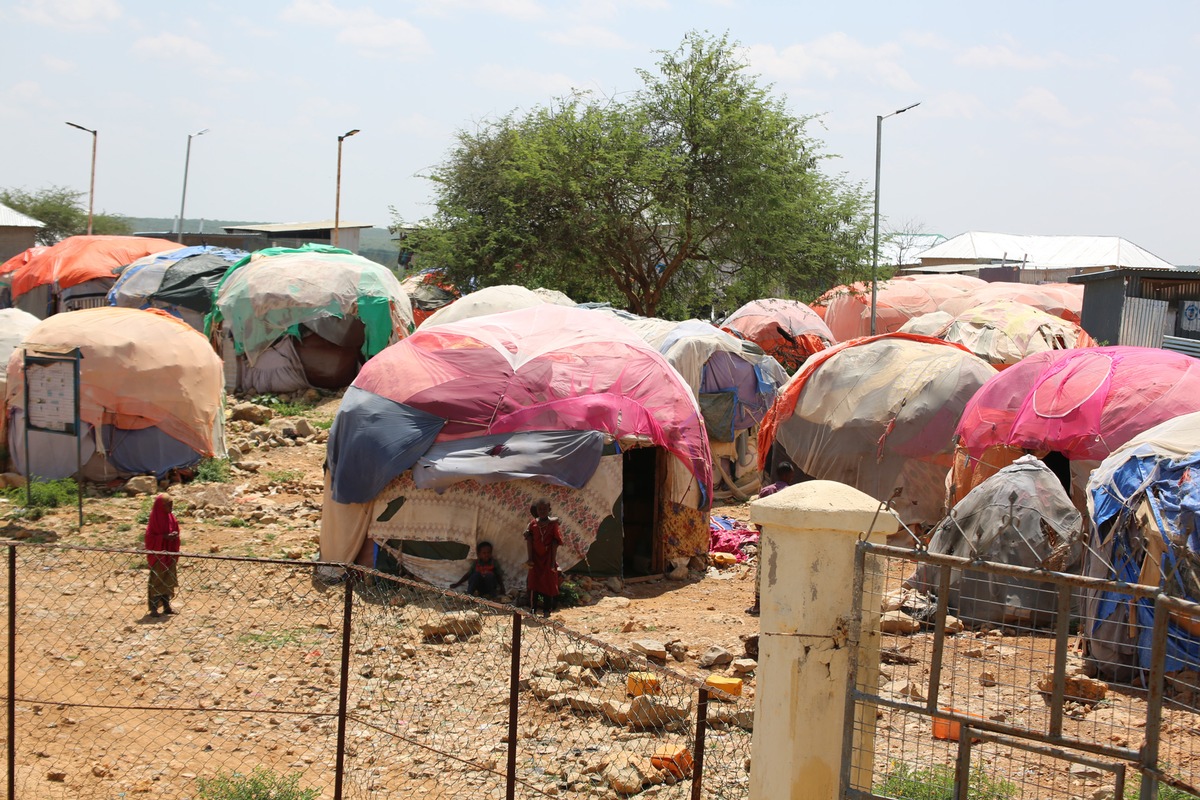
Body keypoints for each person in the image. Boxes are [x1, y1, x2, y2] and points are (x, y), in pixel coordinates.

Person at [746, 462, 808, 616]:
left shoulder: (766, 491)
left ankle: (758, 605)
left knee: (762, 570)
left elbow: (757, 516)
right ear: (788, 475)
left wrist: (763, 531)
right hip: (787, 538)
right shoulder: (792, 493)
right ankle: (782, 605)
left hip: (767, 536)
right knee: (784, 570)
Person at [144, 495, 181, 618]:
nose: (171, 507)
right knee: (157, 580)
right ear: (161, 506)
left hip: (169, 554)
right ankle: (154, 608)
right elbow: (150, 538)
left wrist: (174, 535)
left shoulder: (171, 517)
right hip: (159, 555)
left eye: (171, 504)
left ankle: (166, 607)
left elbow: (175, 529)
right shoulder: (155, 519)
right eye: (168, 505)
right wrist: (163, 537)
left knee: (168, 580)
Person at [524, 498, 562, 617]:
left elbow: (557, 540)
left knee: (548, 583)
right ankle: (533, 609)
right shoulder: (533, 524)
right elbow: (528, 536)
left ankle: (547, 610)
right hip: (535, 557)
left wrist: (552, 560)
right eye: (540, 509)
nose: (542, 511)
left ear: (549, 510)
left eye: (545, 509)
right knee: (533, 582)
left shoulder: (552, 524)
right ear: (537, 510)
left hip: (548, 558)